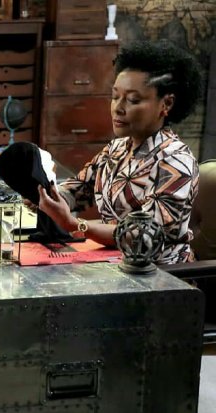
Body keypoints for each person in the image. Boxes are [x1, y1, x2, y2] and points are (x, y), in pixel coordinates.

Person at [37, 40, 203, 264]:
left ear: (167, 104)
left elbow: (142, 238)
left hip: (159, 275)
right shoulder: (116, 148)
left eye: (133, 100)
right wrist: (47, 195)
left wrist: (76, 225)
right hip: (113, 264)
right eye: (115, 97)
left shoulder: (176, 162)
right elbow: (78, 190)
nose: (118, 108)